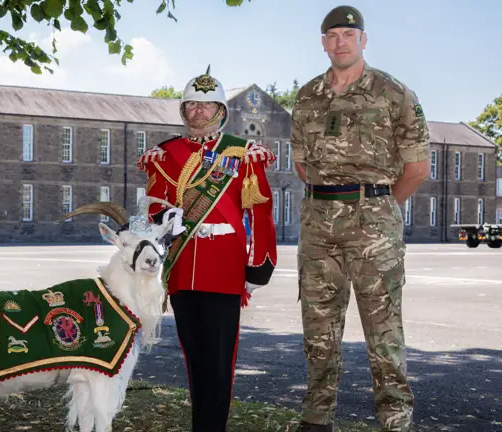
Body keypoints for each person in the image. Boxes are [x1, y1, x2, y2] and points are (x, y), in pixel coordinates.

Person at [290, 6, 431, 432]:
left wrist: (379, 204)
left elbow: (417, 168)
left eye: (348, 35)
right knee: (318, 328)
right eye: (332, 35)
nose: (340, 42)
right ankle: (317, 418)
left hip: (374, 225)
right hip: (318, 224)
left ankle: (394, 419)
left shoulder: (395, 94)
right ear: (323, 42)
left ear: (363, 40)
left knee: (383, 328)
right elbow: (301, 163)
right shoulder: (307, 96)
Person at [137, 66, 278, 431]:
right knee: (194, 358)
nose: (199, 112)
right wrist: (169, 215)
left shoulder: (243, 153)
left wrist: (259, 264)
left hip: (224, 269)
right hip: (183, 269)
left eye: (207, 105)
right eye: (192, 106)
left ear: (220, 111)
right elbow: (154, 206)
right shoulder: (165, 154)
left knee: (219, 363)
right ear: (184, 111)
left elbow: (260, 210)